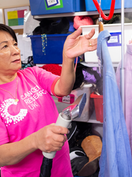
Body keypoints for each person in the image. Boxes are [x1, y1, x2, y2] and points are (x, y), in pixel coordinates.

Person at [0, 23, 97, 177]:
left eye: (14, 44)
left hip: (62, 166)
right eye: (4, 47)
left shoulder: (32, 74)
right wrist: (35, 141)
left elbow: (62, 88)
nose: (15, 51)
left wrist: (68, 57)